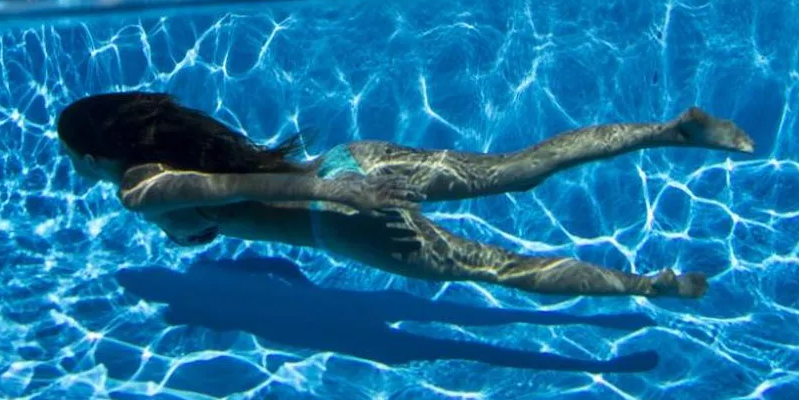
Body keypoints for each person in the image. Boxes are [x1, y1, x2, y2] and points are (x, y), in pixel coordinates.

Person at [57, 92, 755, 300]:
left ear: (92, 155)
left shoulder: (139, 189)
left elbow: (240, 188)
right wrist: (340, 178)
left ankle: (648, 286)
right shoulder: (177, 146)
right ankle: (670, 131)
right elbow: (228, 191)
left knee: (499, 268)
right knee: (516, 167)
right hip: (352, 159)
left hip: (341, 214)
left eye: (69, 157)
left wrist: (340, 195)